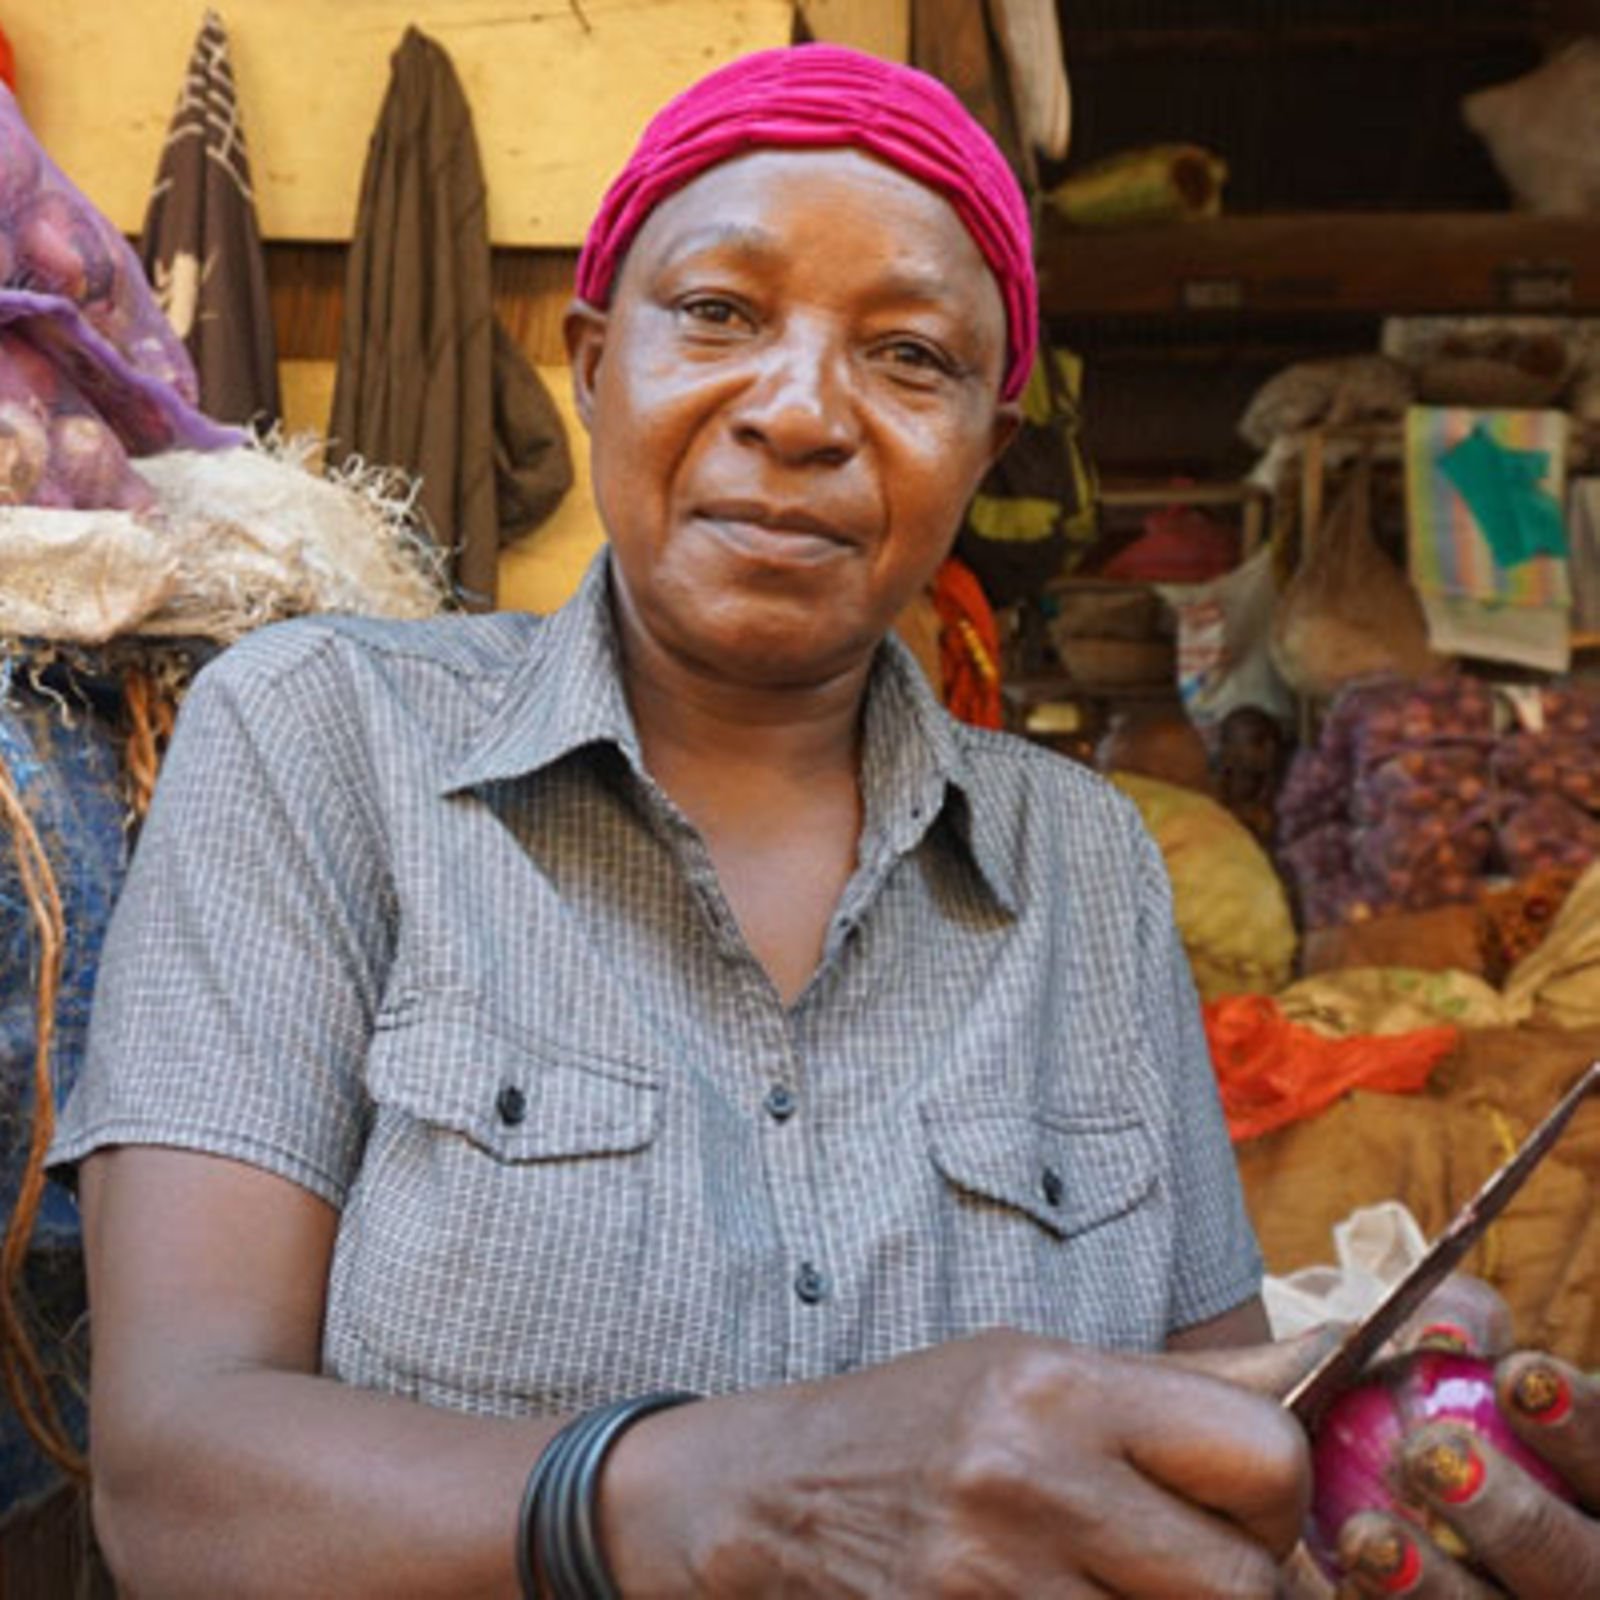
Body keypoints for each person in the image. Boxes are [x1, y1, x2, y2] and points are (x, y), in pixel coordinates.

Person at [48, 43, 1596, 1600]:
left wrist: (1354, 1438)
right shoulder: (322, 741)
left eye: (911, 357)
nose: (800, 414)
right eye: (718, 314)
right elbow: (180, 1486)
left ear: (987, 454)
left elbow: (1195, 1449)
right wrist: (720, 1491)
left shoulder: (1086, 862)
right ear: (593, 366)